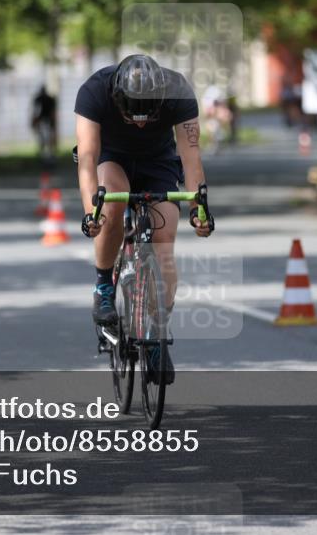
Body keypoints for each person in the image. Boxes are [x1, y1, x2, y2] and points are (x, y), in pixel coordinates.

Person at [75, 54, 214, 384]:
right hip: (111, 158)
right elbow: (87, 157)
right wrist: (90, 213)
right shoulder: (94, 91)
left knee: (164, 241)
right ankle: (103, 285)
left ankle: (156, 332)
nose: (139, 123)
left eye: (146, 116)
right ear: (117, 99)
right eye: (131, 115)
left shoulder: (178, 90)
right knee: (111, 206)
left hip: (158, 162)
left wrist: (199, 209)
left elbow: (191, 156)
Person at [31, 85, 57, 164]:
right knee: (44, 139)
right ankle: (46, 155)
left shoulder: (40, 99)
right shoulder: (48, 99)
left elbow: (36, 112)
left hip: (45, 121)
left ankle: (47, 155)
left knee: (45, 139)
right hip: (43, 121)